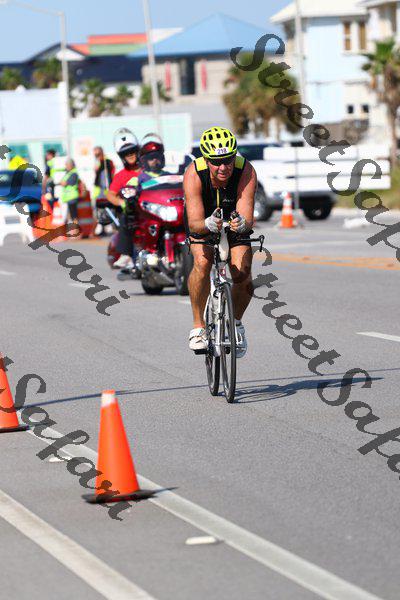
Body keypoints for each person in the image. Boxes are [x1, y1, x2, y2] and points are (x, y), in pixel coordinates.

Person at [184, 126, 257, 357]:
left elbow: (247, 218)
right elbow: (194, 223)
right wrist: (207, 224)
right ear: (206, 160)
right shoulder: (194, 173)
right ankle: (198, 327)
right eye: (216, 162)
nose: (223, 167)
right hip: (203, 220)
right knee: (202, 263)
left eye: (228, 160)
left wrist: (242, 224)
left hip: (233, 219)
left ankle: (235, 323)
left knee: (243, 272)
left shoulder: (246, 170)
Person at [107, 128, 141, 274]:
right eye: (126, 153)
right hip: (133, 211)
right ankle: (126, 254)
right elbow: (110, 195)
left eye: (132, 151)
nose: (130, 155)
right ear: (122, 157)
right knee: (126, 217)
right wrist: (121, 203)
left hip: (153, 208)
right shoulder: (120, 175)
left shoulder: (148, 169)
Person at [93, 146, 115, 236]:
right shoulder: (98, 162)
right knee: (100, 210)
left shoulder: (106, 162)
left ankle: (112, 227)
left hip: (105, 190)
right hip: (99, 191)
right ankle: (103, 228)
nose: (96, 156)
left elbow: (109, 176)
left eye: (97, 154)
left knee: (108, 209)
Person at [59, 158, 81, 231]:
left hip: (72, 197)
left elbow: (65, 183)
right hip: (68, 198)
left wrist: (62, 183)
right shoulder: (68, 173)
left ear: (71, 165)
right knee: (70, 215)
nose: (66, 166)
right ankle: (71, 231)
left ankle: (76, 231)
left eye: (67, 165)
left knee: (74, 215)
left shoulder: (73, 173)